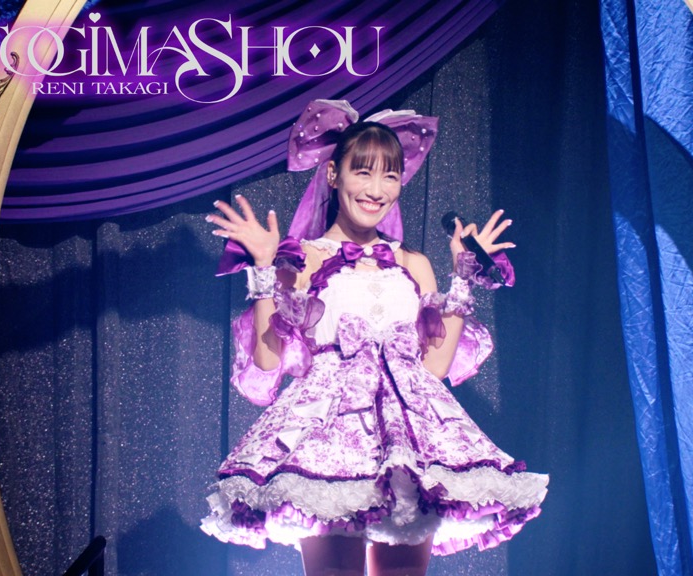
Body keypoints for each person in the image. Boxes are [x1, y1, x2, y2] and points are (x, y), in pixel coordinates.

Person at [200, 100, 548, 576]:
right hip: (328, 439)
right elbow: (266, 358)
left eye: (390, 175)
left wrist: (462, 277)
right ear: (332, 175)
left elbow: (434, 369)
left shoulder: (413, 263)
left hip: (408, 442)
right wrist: (263, 268)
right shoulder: (302, 258)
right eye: (362, 172)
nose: (376, 189)